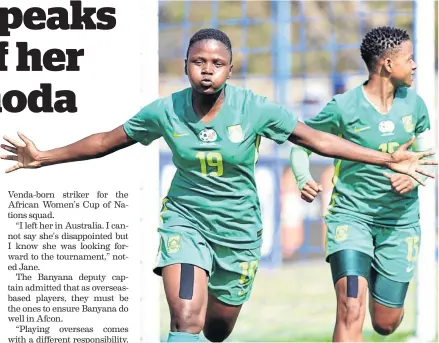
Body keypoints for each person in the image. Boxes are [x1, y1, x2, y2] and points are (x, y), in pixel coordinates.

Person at [1, 28, 435, 343]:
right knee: (185, 317)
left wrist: (386, 157)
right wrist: (44, 156)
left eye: (217, 63)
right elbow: (105, 141)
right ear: (185, 65)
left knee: (216, 328)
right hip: (185, 222)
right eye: (198, 62)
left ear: (230, 69)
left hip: (239, 233)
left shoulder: (256, 108)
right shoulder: (163, 111)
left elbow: (316, 139)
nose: (207, 71)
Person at [290, 26, 436, 342]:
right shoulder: (343, 107)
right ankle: (358, 260)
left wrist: (414, 176)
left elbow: (428, 157)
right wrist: (303, 177)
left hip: (399, 224)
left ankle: (376, 270)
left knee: (385, 323)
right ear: (386, 64)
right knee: (350, 307)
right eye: (409, 59)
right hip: (350, 218)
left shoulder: (415, 106)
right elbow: (301, 142)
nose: (414, 65)